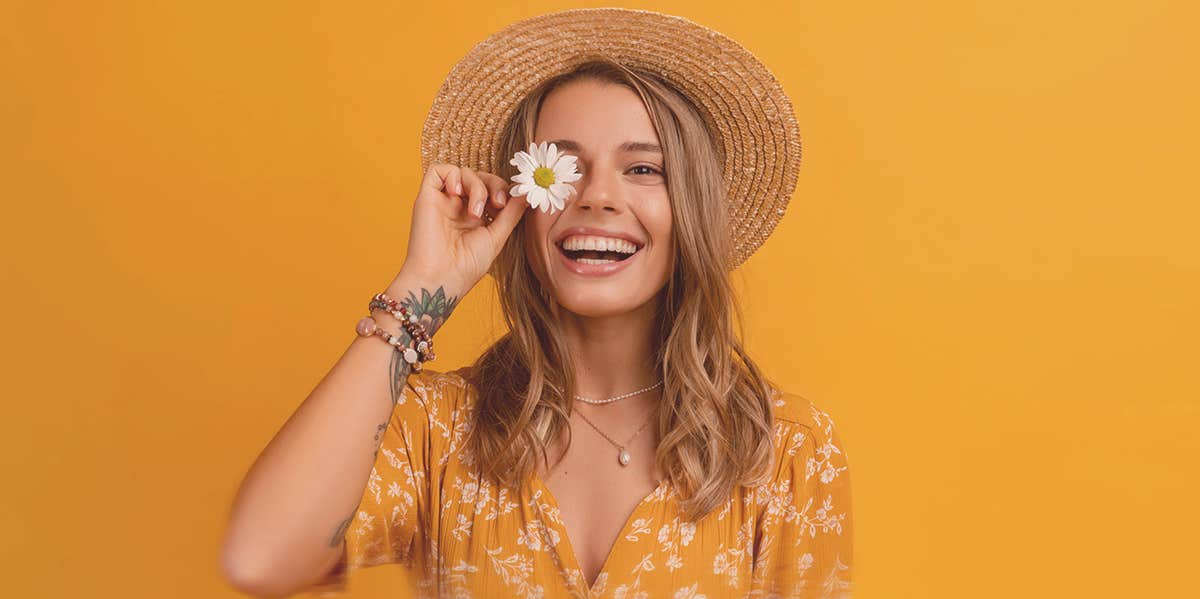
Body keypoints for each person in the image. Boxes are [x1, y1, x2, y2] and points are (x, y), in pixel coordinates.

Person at [221, 8, 852, 599]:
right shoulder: (434, 431)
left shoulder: (787, 449)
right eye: (563, 170)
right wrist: (421, 287)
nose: (597, 197)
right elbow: (261, 560)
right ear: (520, 202)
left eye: (643, 170)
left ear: (691, 211)